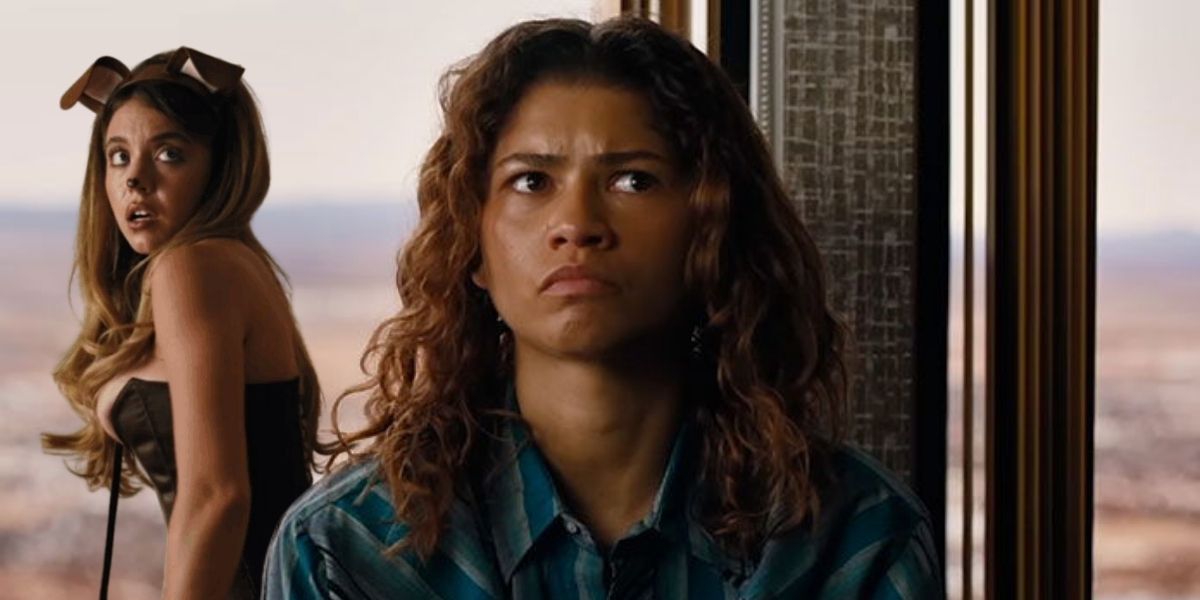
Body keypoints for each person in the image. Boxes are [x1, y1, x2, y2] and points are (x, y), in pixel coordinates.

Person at [266, 17, 941, 600]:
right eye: (531, 180)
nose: (577, 224)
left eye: (633, 180)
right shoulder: (346, 550)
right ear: (473, 243)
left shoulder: (852, 540)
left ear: (711, 232)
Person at [43, 47, 320, 599]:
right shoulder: (234, 264)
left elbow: (218, 497)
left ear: (220, 166)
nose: (135, 180)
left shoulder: (191, 268)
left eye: (169, 153)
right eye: (118, 156)